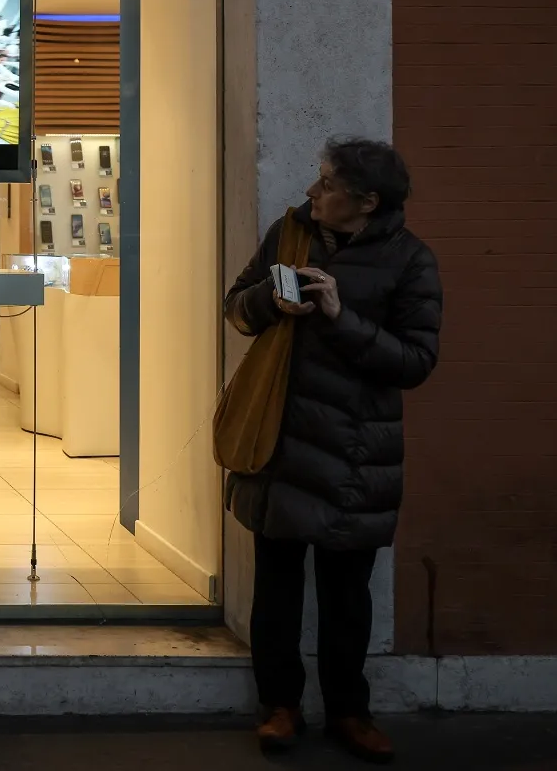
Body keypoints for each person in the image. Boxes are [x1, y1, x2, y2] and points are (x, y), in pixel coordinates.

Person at [222, 138, 442, 763]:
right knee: (278, 589)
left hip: (356, 455)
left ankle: (350, 711)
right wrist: (270, 301)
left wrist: (340, 316)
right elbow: (236, 308)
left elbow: (416, 361)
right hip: (280, 442)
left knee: (348, 596)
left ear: (367, 202)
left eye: (327, 184)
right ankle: (279, 706)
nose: (312, 193)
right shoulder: (288, 233)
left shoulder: (411, 261)